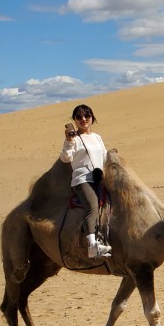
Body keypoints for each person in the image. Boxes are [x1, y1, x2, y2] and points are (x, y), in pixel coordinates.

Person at [60, 103, 112, 259]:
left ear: (92, 118)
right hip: (82, 180)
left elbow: (104, 157)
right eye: (79, 117)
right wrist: (69, 141)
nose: (83, 119)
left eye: (86, 115)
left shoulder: (97, 137)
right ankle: (92, 246)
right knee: (92, 205)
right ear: (74, 120)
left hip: (99, 179)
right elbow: (65, 158)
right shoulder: (74, 139)